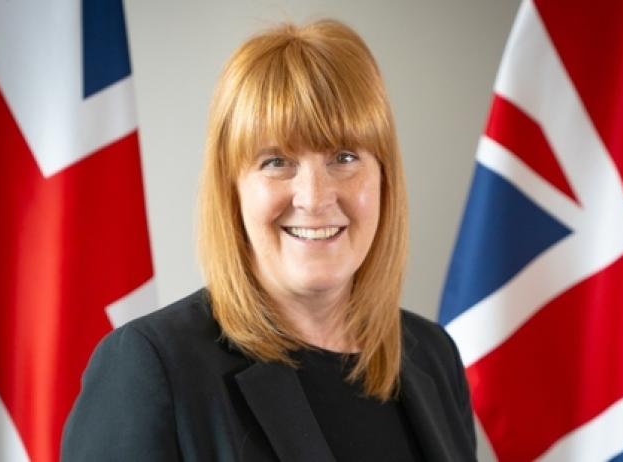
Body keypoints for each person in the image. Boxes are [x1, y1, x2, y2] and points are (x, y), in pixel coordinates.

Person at [62, 19, 476, 462]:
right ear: (232, 188)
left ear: (384, 179)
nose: (315, 198)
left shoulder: (432, 356)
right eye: (277, 161)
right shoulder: (151, 368)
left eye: (345, 157)